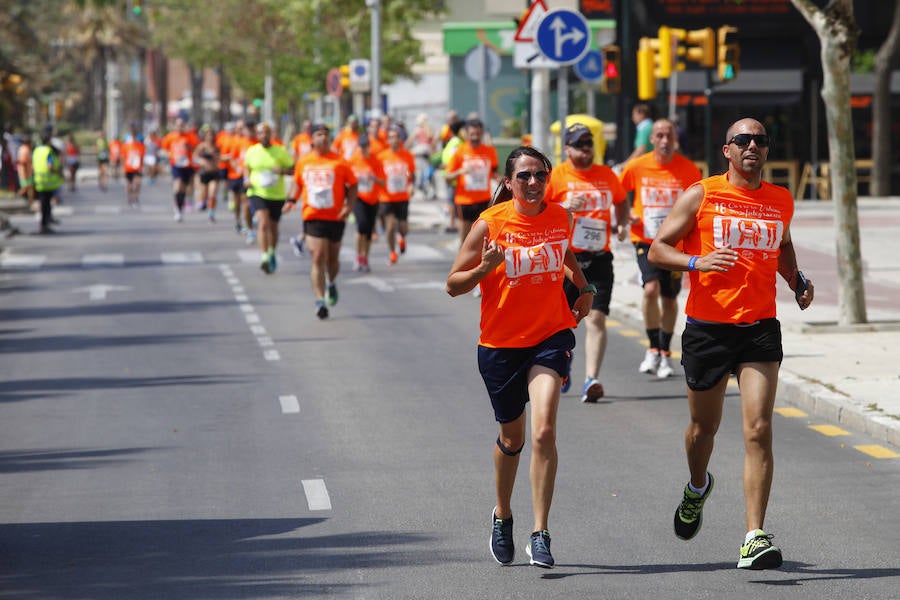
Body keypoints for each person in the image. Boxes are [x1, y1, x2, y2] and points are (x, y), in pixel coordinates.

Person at [648, 118, 814, 570]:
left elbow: (782, 245)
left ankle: (753, 535)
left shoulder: (780, 199)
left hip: (759, 327)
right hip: (708, 328)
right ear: (727, 150)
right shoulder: (703, 194)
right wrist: (698, 261)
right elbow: (658, 249)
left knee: (758, 429)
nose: (753, 147)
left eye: (760, 141)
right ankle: (697, 485)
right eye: (743, 140)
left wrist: (796, 280)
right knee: (703, 430)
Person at [446, 146, 593, 569]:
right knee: (513, 439)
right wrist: (484, 269)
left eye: (540, 176)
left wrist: (584, 289)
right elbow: (454, 284)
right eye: (524, 176)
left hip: (551, 335)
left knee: (544, 431)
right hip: (500, 346)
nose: (533, 184)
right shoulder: (489, 224)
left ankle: (540, 532)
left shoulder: (561, 216)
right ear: (509, 182)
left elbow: (565, 254)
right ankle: (502, 514)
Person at [545, 123, 629, 402]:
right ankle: (564, 361)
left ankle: (592, 378)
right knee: (563, 322)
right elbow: (537, 211)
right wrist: (563, 206)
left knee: (597, 318)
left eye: (589, 143)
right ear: (567, 148)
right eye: (579, 144)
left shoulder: (606, 175)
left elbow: (620, 200)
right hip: (566, 259)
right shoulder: (555, 177)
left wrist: (622, 224)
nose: (586, 149)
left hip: (600, 258)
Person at [619, 119, 702, 378]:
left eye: (669, 136)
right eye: (660, 136)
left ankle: (664, 352)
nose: (665, 141)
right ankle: (652, 347)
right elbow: (619, 196)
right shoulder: (636, 166)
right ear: (651, 139)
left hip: (675, 243)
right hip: (645, 238)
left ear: (675, 140)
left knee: (669, 298)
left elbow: (699, 205)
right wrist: (626, 218)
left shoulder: (689, 170)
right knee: (650, 288)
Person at [291, 123, 358, 319]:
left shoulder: (340, 161)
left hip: (336, 216)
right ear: (312, 139)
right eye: (319, 135)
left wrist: (349, 206)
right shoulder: (304, 162)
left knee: (333, 259)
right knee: (318, 255)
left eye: (326, 135)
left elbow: (353, 185)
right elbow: (296, 185)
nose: (323, 138)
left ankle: (331, 282)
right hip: (313, 216)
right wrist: (290, 201)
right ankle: (320, 300)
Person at [243, 122, 294, 274]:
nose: (264, 136)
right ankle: (264, 256)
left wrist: (282, 170)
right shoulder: (252, 151)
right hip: (258, 192)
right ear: (257, 136)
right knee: (263, 224)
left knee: (273, 227)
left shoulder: (280, 151)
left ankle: (272, 251)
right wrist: (246, 179)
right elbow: (247, 167)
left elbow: (293, 169)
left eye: (266, 133)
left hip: (276, 195)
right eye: (261, 133)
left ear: (270, 135)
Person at [444, 118, 499, 246]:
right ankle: (463, 264)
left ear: (482, 133)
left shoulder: (490, 151)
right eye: (472, 134)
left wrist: (500, 179)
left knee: (484, 238)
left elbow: (495, 173)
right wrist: (461, 171)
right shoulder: (460, 151)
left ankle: (480, 264)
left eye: (478, 134)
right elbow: (447, 177)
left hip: (484, 199)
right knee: (465, 239)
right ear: (466, 134)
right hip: (465, 201)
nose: (475, 137)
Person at [378, 125, 416, 265]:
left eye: (396, 137)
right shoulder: (381, 157)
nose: (394, 140)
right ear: (387, 140)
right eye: (391, 138)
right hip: (386, 197)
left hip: (402, 197)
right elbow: (378, 176)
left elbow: (412, 175)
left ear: (400, 139)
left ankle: (401, 238)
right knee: (390, 227)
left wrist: (411, 186)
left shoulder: (407, 156)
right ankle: (392, 252)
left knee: (403, 227)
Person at [349, 134, 385, 272]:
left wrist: (374, 178)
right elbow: (348, 179)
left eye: (366, 146)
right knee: (361, 226)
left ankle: (365, 257)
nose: (363, 149)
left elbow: (383, 181)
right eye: (361, 146)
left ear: (369, 147)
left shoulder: (376, 161)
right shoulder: (354, 160)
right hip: (359, 198)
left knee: (369, 231)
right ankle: (358, 256)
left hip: (373, 199)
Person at [161, 118, 197, 222]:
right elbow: (164, 149)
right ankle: (177, 209)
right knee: (178, 186)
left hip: (187, 165)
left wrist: (189, 147)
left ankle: (180, 206)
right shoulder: (170, 137)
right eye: (178, 125)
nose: (180, 127)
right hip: (176, 165)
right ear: (175, 126)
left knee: (184, 189)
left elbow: (196, 149)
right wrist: (169, 155)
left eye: (182, 125)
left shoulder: (190, 136)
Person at [31, 126, 63, 234]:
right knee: (46, 204)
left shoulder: (37, 150)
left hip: (38, 180)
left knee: (44, 203)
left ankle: (45, 223)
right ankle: (44, 224)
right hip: (48, 182)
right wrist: (58, 172)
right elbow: (50, 166)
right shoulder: (48, 151)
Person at [439, 119, 465, 234]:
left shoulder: (453, 142)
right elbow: (452, 159)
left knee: (452, 202)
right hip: (454, 178)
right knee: (452, 203)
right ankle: (453, 224)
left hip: (452, 177)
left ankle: (453, 224)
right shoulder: (457, 143)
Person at [193, 125, 221, 221]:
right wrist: (201, 161)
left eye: (212, 135)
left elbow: (220, 158)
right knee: (204, 193)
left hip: (214, 173)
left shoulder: (217, 146)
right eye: (208, 135)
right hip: (204, 173)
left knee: (212, 193)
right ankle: (203, 202)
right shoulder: (202, 146)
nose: (210, 137)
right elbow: (195, 157)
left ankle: (211, 211)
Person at [121, 122, 146, 207]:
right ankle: (130, 197)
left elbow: (142, 155)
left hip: (137, 167)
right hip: (128, 167)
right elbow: (123, 156)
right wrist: (122, 168)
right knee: (129, 185)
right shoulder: (126, 141)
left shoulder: (140, 140)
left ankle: (135, 197)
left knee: (137, 183)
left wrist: (142, 166)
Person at [15, 131, 33, 205]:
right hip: (25, 173)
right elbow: (23, 162)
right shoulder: (25, 149)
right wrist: (26, 174)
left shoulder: (23, 148)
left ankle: (30, 202)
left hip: (27, 172)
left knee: (29, 188)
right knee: (25, 188)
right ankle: (16, 197)